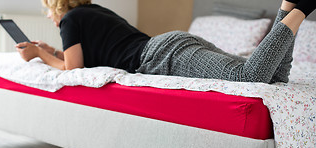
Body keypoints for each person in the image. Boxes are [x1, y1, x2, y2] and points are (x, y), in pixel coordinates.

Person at [16, 0, 315, 84]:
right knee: (273, 75)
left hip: (161, 56)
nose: (52, 22)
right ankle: (288, 7)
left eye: (48, 14)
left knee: (249, 77)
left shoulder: (70, 19)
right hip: (168, 47)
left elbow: (72, 69)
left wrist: (37, 56)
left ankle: (302, 8)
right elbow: (82, 55)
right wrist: (48, 50)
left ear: (56, 8)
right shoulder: (91, 12)